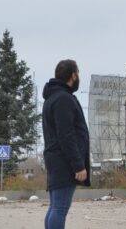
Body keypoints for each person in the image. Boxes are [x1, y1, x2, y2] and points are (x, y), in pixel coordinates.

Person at [42, 59, 90, 229]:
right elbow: (66, 135)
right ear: (73, 75)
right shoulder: (63, 99)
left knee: (55, 207)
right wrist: (78, 165)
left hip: (55, 158)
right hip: (64, 161)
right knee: (60, 208)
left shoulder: (53, 98)